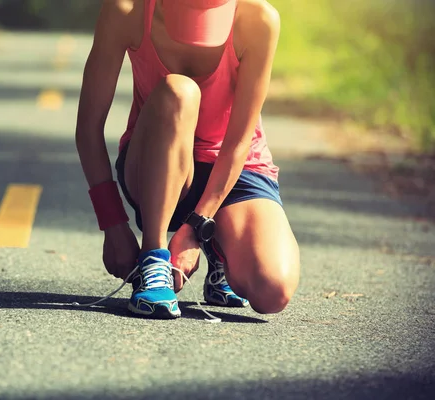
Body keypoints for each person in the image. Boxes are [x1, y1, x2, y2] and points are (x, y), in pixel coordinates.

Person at [75, 0, 300, 319]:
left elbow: (238, 142)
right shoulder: (127, 10)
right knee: (179, 91)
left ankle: (218, 243)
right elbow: (88, 128)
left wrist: (198, 227)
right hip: (155, 163)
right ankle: (152, 255)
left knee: (272, 291)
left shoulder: (258, 19)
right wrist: (112, 224)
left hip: (233, 169)